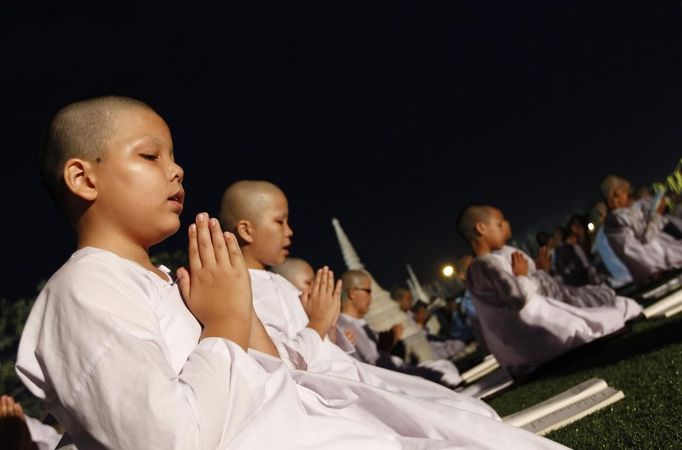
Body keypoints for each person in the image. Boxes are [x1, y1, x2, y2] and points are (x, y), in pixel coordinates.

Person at [15, 96, 418, 449]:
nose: (177, 171)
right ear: (83, 179)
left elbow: (279, 379)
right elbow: (164, 440)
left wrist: (238, 309)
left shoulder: (181, 282)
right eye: (150, 156)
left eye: (173, 157)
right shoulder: (84, 289)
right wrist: (227, 320)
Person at [220, 180, 570, 448]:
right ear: (247, 229)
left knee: (470, 412)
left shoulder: (275, 283)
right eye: (280, 222)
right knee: (455, 428)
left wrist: (322, 324)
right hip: (328, 394)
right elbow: (279, 364)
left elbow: (324, 345)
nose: (290, 231)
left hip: (350, 376)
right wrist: (317, 324)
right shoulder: (244, 290)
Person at [457, 204, 642, 378]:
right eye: (498, 224)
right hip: (532, 335)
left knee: (600, 316)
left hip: (523, 342)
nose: (504, 227)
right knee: (606, 317)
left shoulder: (484, 265)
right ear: (481, 228)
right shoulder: (484, 264)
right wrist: (522, 275)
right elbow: (517, 298)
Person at [338, 270, 462, 388]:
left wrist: (390, 341)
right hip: (387, 381)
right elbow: (375, 365)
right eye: (368, 291)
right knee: (443, 375)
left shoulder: (359, 324)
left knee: (445, 368)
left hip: (397, 370)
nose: (371, 298)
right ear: (353, 294)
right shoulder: (345, 327)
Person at [601, 174, 682, 285]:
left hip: (653, 271)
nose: (628, 197)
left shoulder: (612, 223)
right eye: (626, 193)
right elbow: (647, 237)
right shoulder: (621, 216)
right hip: (660, 268)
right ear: (616, 193)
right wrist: (657, 213)